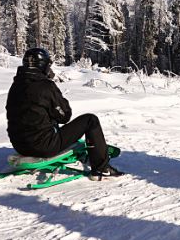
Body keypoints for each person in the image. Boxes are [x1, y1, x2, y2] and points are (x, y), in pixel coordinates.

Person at [6, 48, 124, 179]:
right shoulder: (45, 86)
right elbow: (64, 116)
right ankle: (101, 168)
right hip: (43, 146)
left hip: (19, 145)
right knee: (90, 120)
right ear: (43, 66)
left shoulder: (15, 85)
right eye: (48, 66)